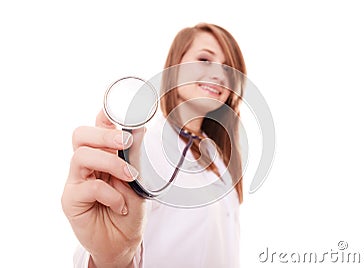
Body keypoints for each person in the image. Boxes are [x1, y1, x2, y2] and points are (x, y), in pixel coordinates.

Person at [62, 22, 247, 268]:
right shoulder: (145, 145)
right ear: (175, 69)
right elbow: (102, 247)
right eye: (204, 59)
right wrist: (113, 257)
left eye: (228, 69)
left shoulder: (218, 159)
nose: (219, 75)